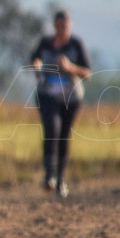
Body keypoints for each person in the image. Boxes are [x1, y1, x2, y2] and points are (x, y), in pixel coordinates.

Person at [30, 11, 91, 198]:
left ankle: (61, 179)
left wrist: (70, 67)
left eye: (64, 26)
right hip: (47, 94)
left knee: (64, 135)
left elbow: (87, 73)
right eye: (58, 25)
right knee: (51, 130)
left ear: (70, 26)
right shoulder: (46, 43)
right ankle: (50, 175)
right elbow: (34, 58)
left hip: (70, 97)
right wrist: (37, 66)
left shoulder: (76, 45)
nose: (61, 29)